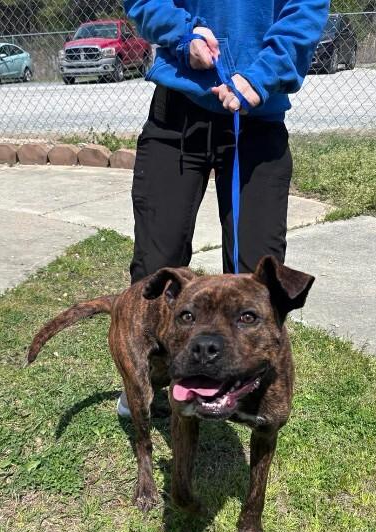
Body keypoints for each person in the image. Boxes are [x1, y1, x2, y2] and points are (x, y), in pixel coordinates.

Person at [117, 0, 329, 417]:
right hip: (177, 118)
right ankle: (150, 374)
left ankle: (242, 383)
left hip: (257, 114)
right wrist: (184, 35)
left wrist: (264, 74)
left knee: (259, 271)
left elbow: (305, 12)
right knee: (156, 266)